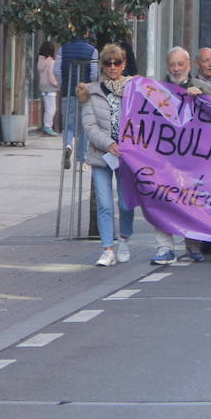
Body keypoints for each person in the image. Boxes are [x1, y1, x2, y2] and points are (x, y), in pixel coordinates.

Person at [150, 48, 211, 265]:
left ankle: (193, 244)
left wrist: (202, 98)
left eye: (180, 64)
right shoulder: (156, 90)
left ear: (189, 65)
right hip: (165, 156)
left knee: (192, 200)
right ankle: (164, 247)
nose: (176, 69)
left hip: (193, 158)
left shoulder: (203, 88)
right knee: (162, 200)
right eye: (172, 64)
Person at [78, 44, 135, 267]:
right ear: (102, 66)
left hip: (127, 157)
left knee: (126, 203)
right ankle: (107, 249)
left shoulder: (134, 90)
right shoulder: (91, 92)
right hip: (101, 155)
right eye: (108, 63)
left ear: (124, 64)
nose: (112, 67)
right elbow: (89, 126)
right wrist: (109, 144)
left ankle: (124, 239)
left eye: (117, 63)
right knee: (104, 203)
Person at [56, 31, 99, 168]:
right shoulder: (93, 51)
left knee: (68, 125)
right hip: (85, 93)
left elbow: (57, 71)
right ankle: (81, 159)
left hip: (67, 92)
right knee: (83, 127)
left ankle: (68, 145)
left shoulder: (62, 49)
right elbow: (94, 75)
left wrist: (62, 85)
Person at [37, 40, 59, 136]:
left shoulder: (40, 60)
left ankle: (46, 126)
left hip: (43, 87)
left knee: (47, 108)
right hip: (50, 88)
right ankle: (48, 127)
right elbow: (51, 76)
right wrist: (57, 84)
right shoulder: (51, 62)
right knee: (52, 109)